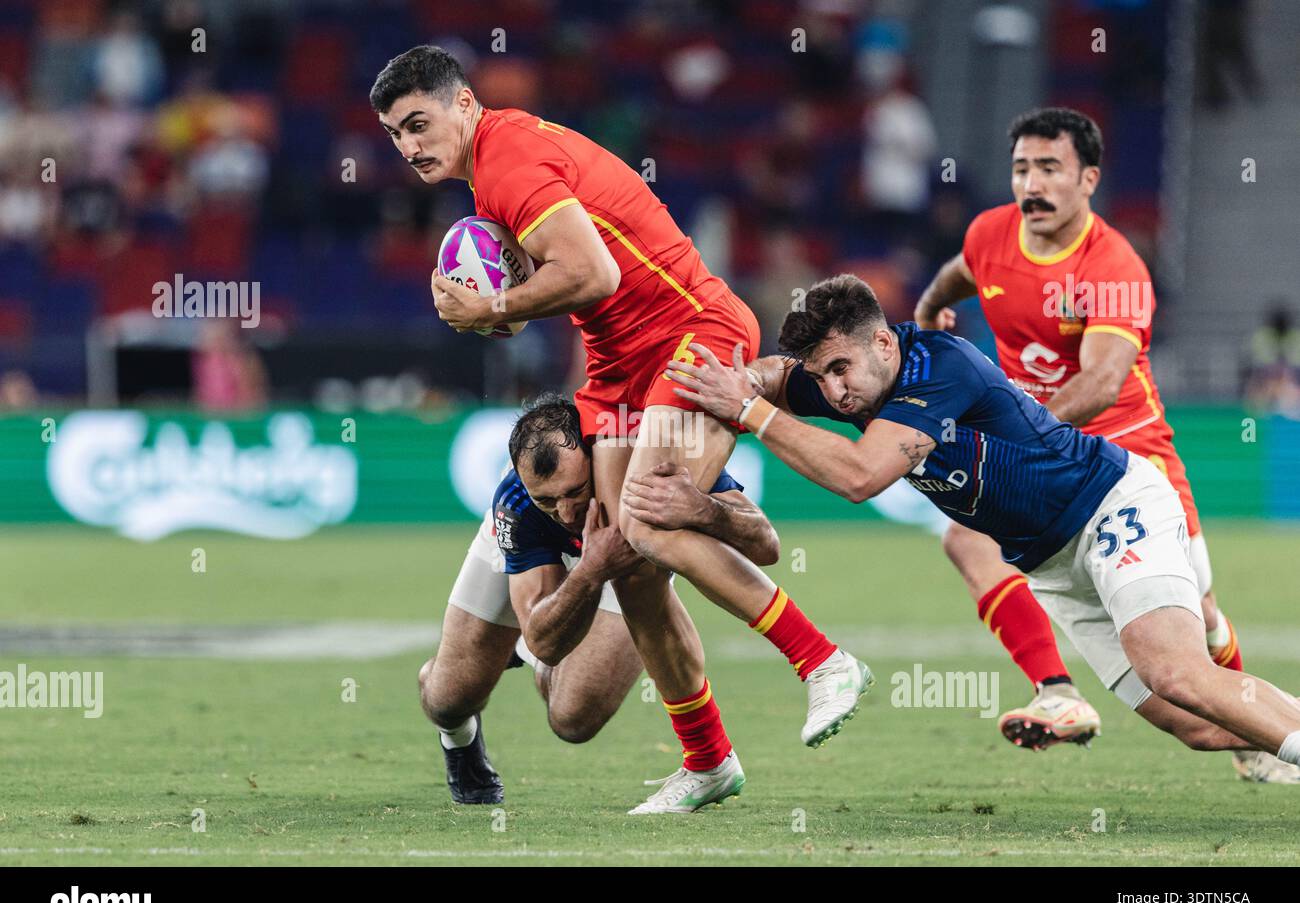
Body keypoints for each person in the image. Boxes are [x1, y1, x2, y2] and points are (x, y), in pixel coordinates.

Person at [372, 46, 872, 811]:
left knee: (642, 516)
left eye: (418, 123)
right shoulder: (495, 172)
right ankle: (707, 760)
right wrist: (517, 301)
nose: (408, 146)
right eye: (396, 135)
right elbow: (578, 281)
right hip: (615, 368)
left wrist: (496, 308)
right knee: (631, 554)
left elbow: (596, 274)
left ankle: (821, 660)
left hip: (687, 332)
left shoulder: (507, 162)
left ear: (464, 104)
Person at [669, 274, 1300, 781]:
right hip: (1052, 565)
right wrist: (746, 380)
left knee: (1177, 673)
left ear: (884, 343)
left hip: (1110, 506)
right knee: (1194, 725)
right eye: (821, 375)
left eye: (840, 368)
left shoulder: (939, 366)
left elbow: (860, 477)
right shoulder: (847, 381)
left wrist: (748, 410)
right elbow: (781, 376)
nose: (833, 391)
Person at [909, 107, 1293, 781]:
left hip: (1131, 458)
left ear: (1087, 179)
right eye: (1022, 167)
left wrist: (1019, 434)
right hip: (1041, 459)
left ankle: (1250, 731)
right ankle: (1056, 690)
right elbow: (960, 274)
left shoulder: (1113, 265)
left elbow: (1104, 378)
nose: (1033, 183)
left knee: (1198, 620)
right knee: (963, 535)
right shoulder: (990, 234)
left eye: (1050, 168)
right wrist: (926, 311)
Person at [423, 396, 778, 811]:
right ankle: (459, 739)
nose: (567, 512)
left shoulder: (644, 459)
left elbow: (766, 544)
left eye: (576, 491)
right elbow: (546, 642)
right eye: (548, 501)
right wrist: (590, 570)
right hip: (575, 561)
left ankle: (523, 650)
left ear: (598, 452)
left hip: (624, 561)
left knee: (572, 719)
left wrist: (705, 510)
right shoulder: (518, 505)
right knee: (448, 699)